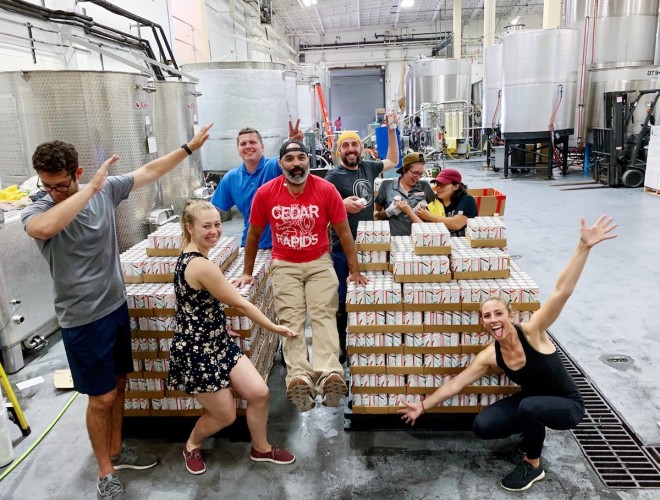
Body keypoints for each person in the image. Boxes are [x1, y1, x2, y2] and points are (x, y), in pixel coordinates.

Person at [21, 124, 214, 499]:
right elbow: (42, 229)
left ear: (76, 172)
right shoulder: (44, 205)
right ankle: (105, 471)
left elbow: (151, 170)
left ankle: (116, 448)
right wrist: (87, 190)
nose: (53, 191)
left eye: (60, 184)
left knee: (120, 385)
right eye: (47, 184)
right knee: (102, 398)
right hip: (81, 320)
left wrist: (188, 149)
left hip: (114, 307)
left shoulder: (106, 191)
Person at [399, 215, 618, 492]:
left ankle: (533, 463)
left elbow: (562, 292)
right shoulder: (490, 354)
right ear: (483, 323)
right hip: (532, 401)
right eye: (487, 316)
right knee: (483, 426)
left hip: (567, 404)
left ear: (510, 315)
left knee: (530, 407)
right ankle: (532, 431)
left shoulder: (533, 331)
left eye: (498, 313)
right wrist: (423, 405)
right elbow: (457, 383)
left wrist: (583, 247)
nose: (493, 319)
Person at [234, 140, 368, 412]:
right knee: (290, 320)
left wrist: (355, 271)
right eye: (290, 159)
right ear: (281, 164)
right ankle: (299, 378)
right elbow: (253, 234)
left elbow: (344, 233)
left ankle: (329, 373)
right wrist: (247, 272)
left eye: (301, 158)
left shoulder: (326, 190)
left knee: (323, 315)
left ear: (309, 161)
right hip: (284, 265)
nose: (296, 164)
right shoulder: (265, 193)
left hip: (319, 262)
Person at [168, 199, 297, 476]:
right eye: (206, 226)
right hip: (197, 352)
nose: (214, 231)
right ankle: (191, 445)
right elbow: (241, 304)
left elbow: (190, 303)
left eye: (217, 224)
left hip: (216, 341)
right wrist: (275, 327)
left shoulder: (193, 256)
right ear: (189, 228)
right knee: (224, 415)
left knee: (259, 393)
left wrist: (215, 324)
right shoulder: (201, 265)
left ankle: (261, 448)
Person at [325, 116, 399, 363]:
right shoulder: (333, 177)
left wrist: (391, 131)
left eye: (354, 145)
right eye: (345, 146)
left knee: (367, 292)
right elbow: (321, 207)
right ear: (339, 151)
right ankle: (341, 343)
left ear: (360, 148)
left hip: (369, 244)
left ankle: (364, 338)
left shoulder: (368, 167)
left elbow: (393, 160)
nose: (350, 150)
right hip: (341, 247)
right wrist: (341, 205)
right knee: (343, 296)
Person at [211, 120, 303, 249]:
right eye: (243, 143)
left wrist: (292, 145)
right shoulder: (231, 178)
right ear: (238, 149)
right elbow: (213, 211)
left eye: (253, 142)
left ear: (262, 147)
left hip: (284, 246)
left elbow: (288, 161)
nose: (248, 146)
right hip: (251, 245)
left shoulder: (273, 167)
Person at [374, 151, 435, 236]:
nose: (418, 178)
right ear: (404, 169)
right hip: (393, 239)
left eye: (421, 174)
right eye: (415, 173)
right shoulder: (387, 186)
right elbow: (375, 216)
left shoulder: (424, 186)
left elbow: (435, 212)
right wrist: (388, 212)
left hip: (420, 239)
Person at [414, 168, 477, 237]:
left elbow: (457, 223)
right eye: (437, 184)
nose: (438, 188)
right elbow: (424, 229)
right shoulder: (434, 203)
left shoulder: (467, 200)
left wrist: (429, 216)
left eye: (442, 185)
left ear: (456, 186)